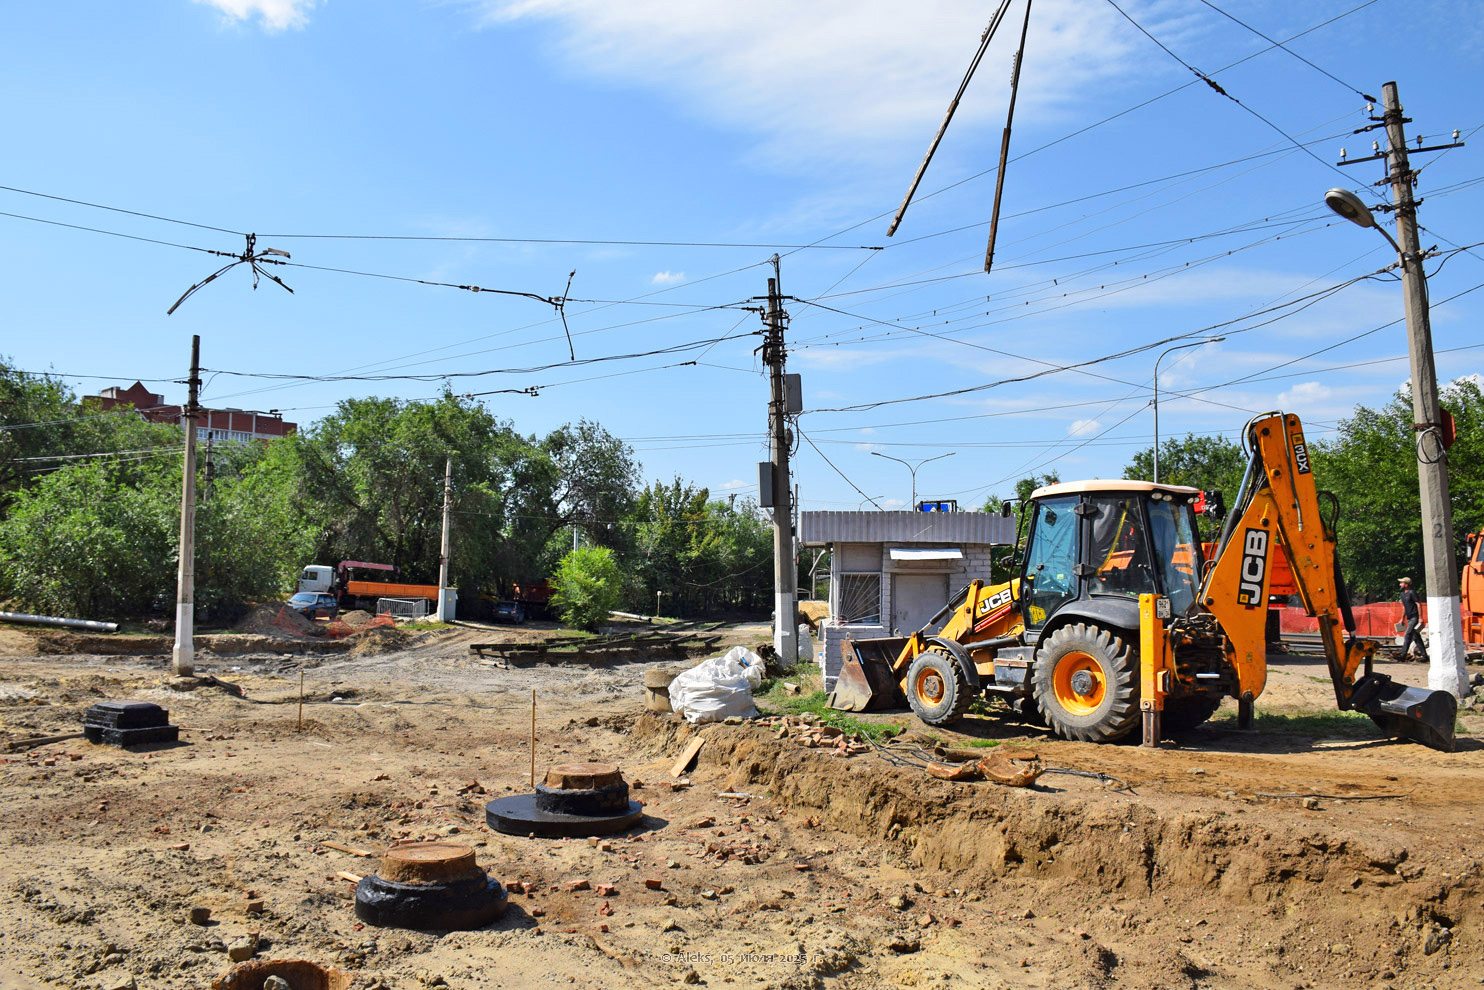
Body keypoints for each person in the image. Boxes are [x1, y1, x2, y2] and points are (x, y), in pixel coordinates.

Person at [1398, 576, 1429, 662]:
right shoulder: (1403, 594)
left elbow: (1418, 604)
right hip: (1409, 618)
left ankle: (1403, 655)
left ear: (1406, 584)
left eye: (1402, 583)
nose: (1400, 584)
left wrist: (1420, 617)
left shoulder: (1412, 593)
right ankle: (1424, 656)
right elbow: (1404, 607)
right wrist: (1402, 618)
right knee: (1416, 637)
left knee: (1408, 635)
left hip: (1414, 617)